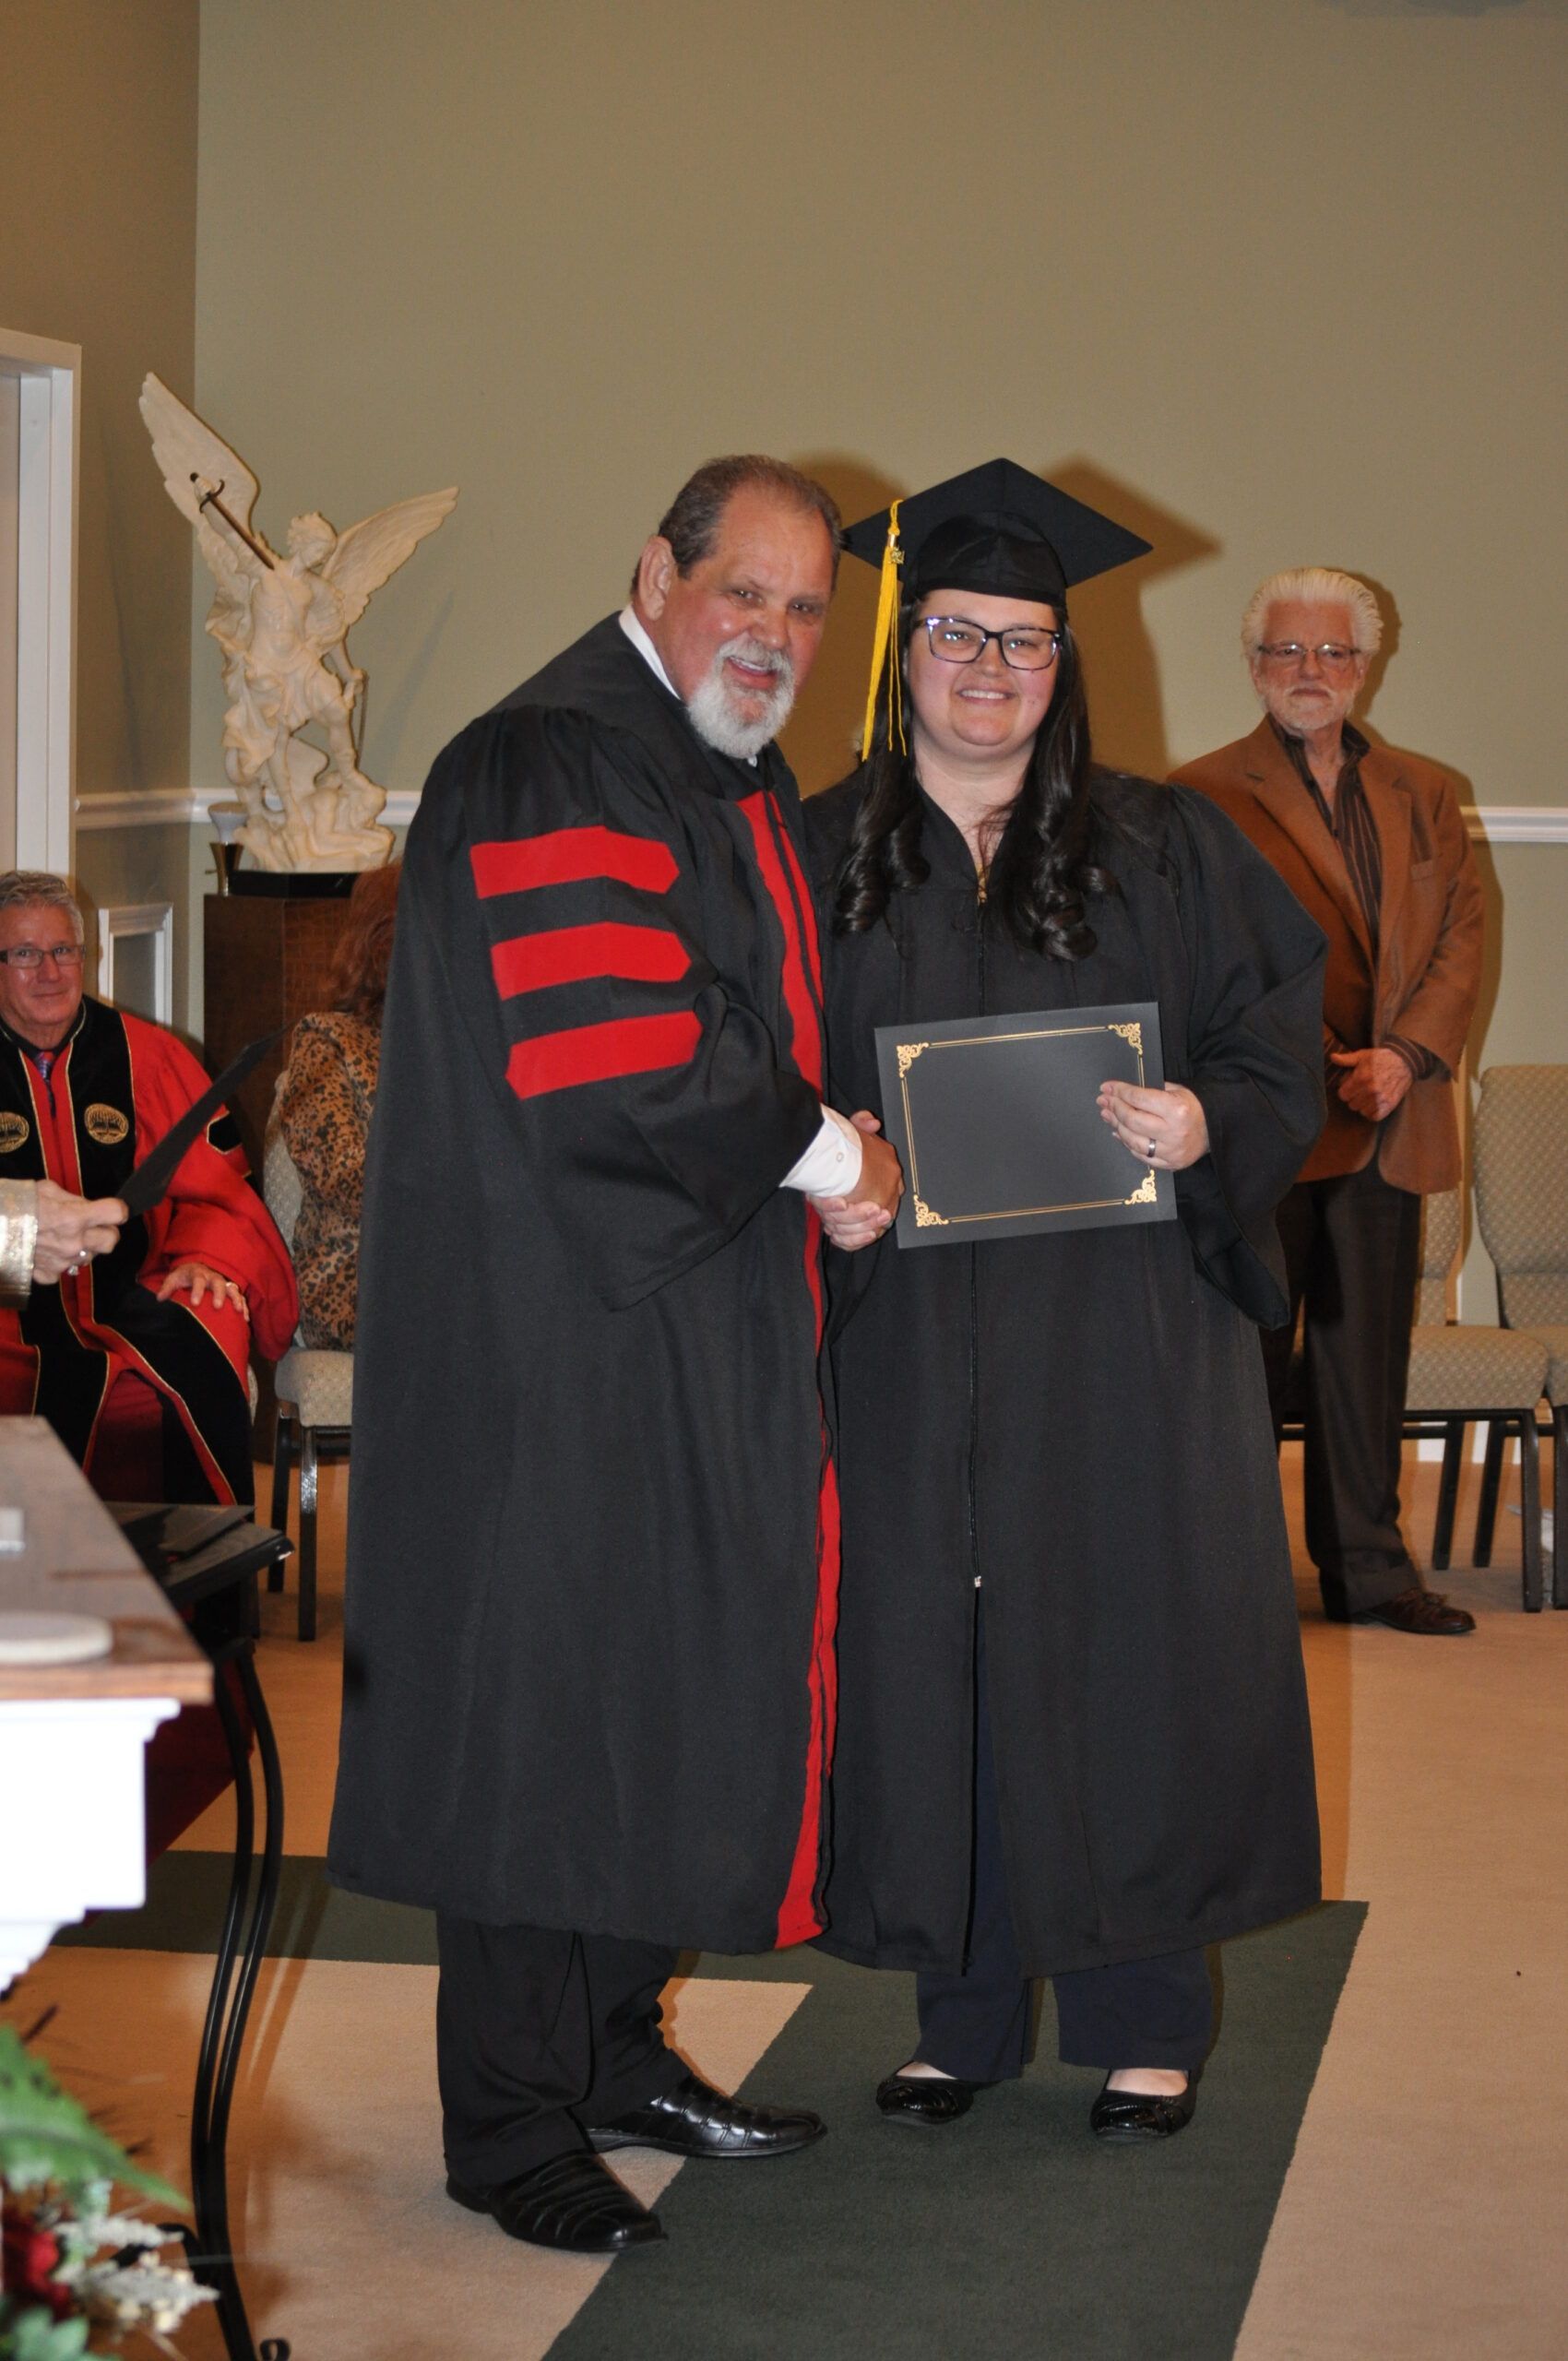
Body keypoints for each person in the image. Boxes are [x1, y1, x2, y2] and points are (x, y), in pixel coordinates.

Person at [327, 457, 902, 2255]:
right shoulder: (549, 753)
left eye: (808, 609)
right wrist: (835, 1156)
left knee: (658, 1689)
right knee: (544, 1713)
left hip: (677, 1321)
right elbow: (620, 1045)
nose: (778, 635)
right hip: (552, 1345)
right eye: (747, 591)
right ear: (653, 572)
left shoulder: (716, 766)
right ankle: (508, 2118)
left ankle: (608, 2047)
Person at [805, 461, 1326, 2142]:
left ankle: (1143, 2018)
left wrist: (1207, 1125)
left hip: (1117, 1339)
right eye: (955, 632)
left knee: (1122, 1653)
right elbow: (747, 1081)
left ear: (1064, 663)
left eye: (1024, 642)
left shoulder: (1169, 846)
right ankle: (959, 2018)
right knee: (928, 1658)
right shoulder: (822, 853)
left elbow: (1278, 1042)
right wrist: (832, 1183)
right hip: (902, 1345)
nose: (988, 667)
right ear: (906, 652)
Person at [1171, 570, 1484, 1635]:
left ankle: (1370, 1572)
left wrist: (1401, 1055)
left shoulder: (1424, 792)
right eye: (1288, 653)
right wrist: (1307, 1062)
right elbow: (1206, 956)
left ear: (1365, 665)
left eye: (1332, 654)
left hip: (1388, 1118)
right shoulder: (1198, 792)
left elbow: (1459, 937)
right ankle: (1234, 1575)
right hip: (1265, 1123)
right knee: (1247, 1357)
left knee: (1365, 1359)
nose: (1311, 673)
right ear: (1254, 666)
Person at [0, 872, 298, 1504]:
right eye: (24, 954)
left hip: (132, 1295)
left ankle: (194, 1594)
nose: (49, 972)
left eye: (64, 952)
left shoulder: (146, 1057)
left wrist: (205, 1260)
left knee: (210, 1323)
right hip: (8, 1313)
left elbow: (216, 1191)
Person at [276, 860, 400, 1348]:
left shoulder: (465, 1045)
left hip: (461, 1262)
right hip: (356, 1275)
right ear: (384, 946)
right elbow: (346, 1178)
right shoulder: (327, 1040)